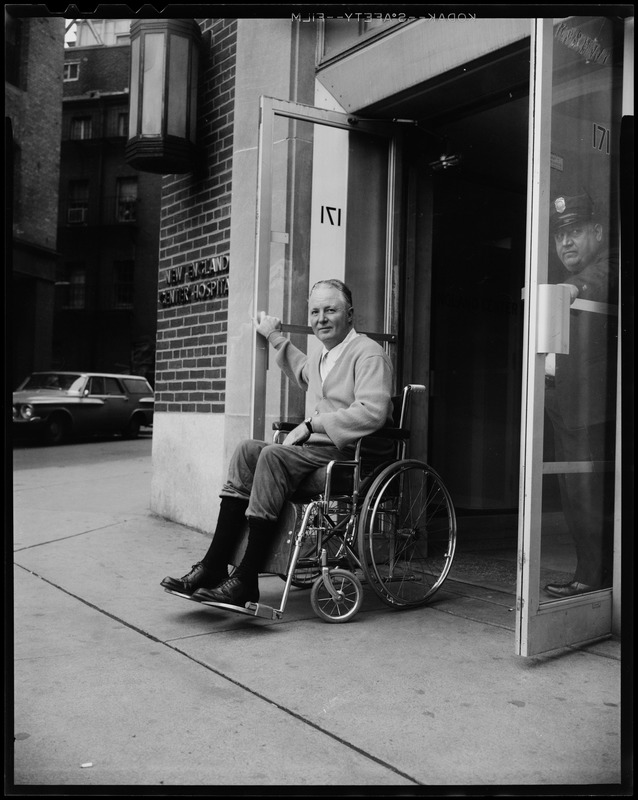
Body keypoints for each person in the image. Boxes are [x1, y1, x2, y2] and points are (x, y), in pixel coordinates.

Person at [161, 278, 394, 606]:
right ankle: (214, 566)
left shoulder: (369, 353)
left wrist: (313, 423)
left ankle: (246, 578)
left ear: (351, 314)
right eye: (315, 311)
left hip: (346, 457)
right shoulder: (322, 357)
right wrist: (273, 334)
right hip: (313, 454)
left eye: (331, 310)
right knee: (246, 451)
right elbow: (300, 368)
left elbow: (373, 412)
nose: (321, 318)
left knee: (272, 456)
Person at [543, 194, 618, 598]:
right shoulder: (561, 277)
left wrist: (572, 287)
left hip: (589, 406)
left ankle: (594, 578)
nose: (566, 243)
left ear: (597, 232)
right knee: (573, 493)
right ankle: (589, 573)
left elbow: (603, 278)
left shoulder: (608, 264)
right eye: (560, 236)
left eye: (574, 232)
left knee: (588, 493)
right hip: (562, 402)